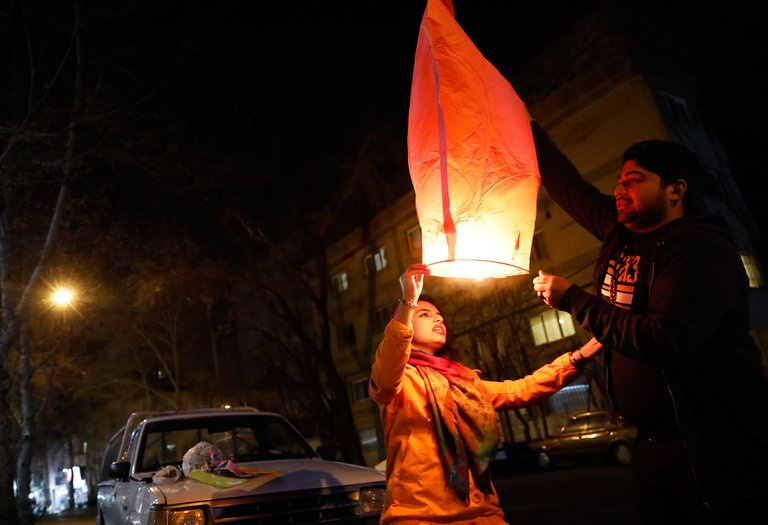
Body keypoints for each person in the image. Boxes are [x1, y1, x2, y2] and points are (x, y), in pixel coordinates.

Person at [530, 120, 768, 523]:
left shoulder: (699, 250)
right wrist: (521, 125)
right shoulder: (620, 232)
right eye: (620, 180)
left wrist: (574, 299)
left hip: (713, 446)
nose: (620, 190)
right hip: (653, 446)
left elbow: (665, 339)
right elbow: (568, 185)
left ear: (676, 190)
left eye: (634, 181)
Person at [369, 263, 602, 524]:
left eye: (439, 315)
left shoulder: (464, 381)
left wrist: (578, 357)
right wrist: (409, 301)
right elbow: (390, 358)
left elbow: (520, 389)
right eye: (425, 314)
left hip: (481, 513)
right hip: (420, 515)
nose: (439, 319)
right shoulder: (397, 379)